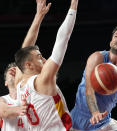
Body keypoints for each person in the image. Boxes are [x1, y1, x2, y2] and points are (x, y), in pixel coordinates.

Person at [14, 0, 78, 130]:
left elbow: (26, 48)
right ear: (29, 65)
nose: (44, 59)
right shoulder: (43, 80)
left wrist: (39, 15)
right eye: (39, 57)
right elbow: (63, 37)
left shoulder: (19, 84)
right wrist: (73, 5)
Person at [0, 0, 51, 130]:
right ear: (5, 82)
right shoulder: (0, 100)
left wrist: (39, 16)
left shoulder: (31, 90)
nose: (12, 69)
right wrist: (21, 109)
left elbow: (26, 49)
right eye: (8, 70)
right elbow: (2, 111)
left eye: (15, 68)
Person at [70, 25, 117, 131]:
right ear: (111, 42)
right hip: (78, 121)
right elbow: (89, 89)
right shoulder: (97, 57)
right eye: (116, 36)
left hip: (103, 122)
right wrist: (95, 112)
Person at [0, 63, 28, 130]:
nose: (13, 70)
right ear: (6, 83)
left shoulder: (32, 95)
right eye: (10, 70)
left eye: (17, 70)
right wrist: (22, 109)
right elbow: (2, 111)